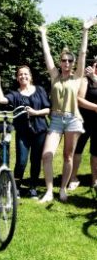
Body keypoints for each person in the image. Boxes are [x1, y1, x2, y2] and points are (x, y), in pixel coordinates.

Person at [38, 18, 97, 203]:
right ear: (60, 62)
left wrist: (85, 30)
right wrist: (43, 35)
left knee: (68, 156)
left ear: (72, 63)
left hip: (73, 120)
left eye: (69, 61)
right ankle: (49, 191)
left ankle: (62, 189)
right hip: (56, 120)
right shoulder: (55, 76)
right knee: (47, 155)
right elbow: (46, 54)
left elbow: (82, 52)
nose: (66, 63)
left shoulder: (78, 77)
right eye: (63, 60)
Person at [0, 66, 50, 199]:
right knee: (21, 161)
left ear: (30, 76)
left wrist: (35, 112)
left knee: (35, 161)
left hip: (40, 131)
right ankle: (16, 187)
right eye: (20, 75)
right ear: (17, 78)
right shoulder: (15, 94)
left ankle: (33, 188)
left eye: (25, 74)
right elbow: (1, 100)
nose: (23, 76)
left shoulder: (40, 90)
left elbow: (48, 109)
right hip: (23, 132)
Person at [69, 61, 97, 190]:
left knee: (96, 153)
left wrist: (95, 78)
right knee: (77, 149)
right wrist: (95, 107)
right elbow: (79, 100)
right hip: (84, 121)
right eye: (95, 65)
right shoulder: (85, 81)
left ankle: (94, 180)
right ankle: (73, 177)